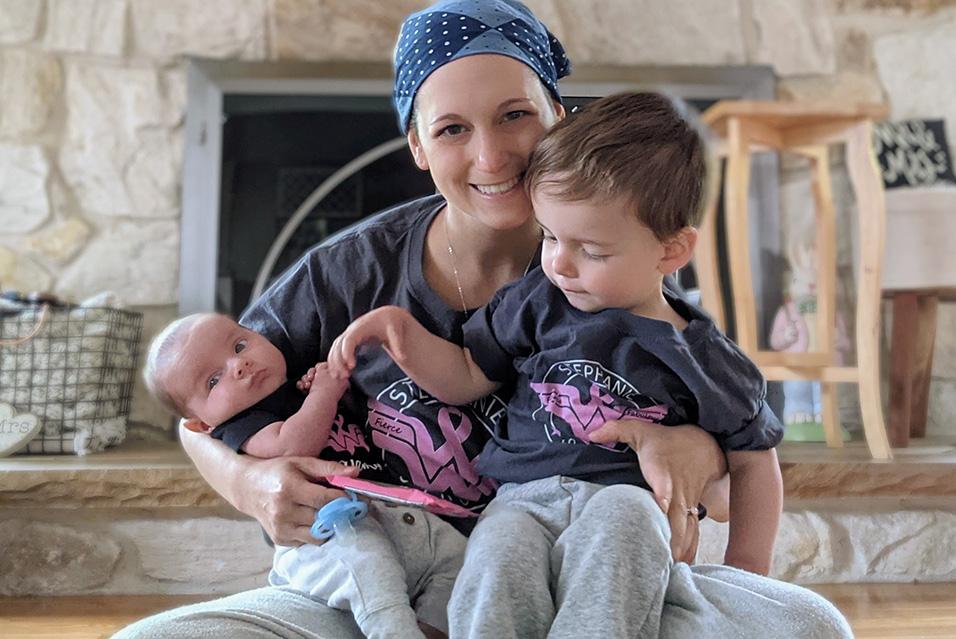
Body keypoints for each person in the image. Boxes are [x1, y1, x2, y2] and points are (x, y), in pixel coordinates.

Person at [115, 1, 851, 637]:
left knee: (810, 623)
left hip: (585, 582)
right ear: (415, 145)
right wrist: (250, 486)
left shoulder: (616, 264)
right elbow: (199, 412)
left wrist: (692, 449)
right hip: (380, 585)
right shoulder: (346, 274)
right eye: (451, 129)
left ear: (558, 115)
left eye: (515, 115)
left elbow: (729, 457)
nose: (492, 155)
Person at [328, 91, 786, 637]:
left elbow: (755, 462)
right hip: (523, 499)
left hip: (626, 503)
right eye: (549, 236)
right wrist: (402, 335)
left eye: (591, 250)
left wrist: (746, 573)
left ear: (670, 251)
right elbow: (467, 375)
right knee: (498, 548)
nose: (559, 264)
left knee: (628, 518)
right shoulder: (537, 303)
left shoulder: (705, 356)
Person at [142, 312, 461, 638]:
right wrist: (324, 392)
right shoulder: (241, 425)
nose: (239, 365)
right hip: (326, 536)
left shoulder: (289, 384)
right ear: (203, 425)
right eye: (213, 380)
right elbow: (292, 444)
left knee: (456, 555)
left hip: (389, 517)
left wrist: (316, 383)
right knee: (371, 572)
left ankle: (430, 628)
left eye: (239, 346)